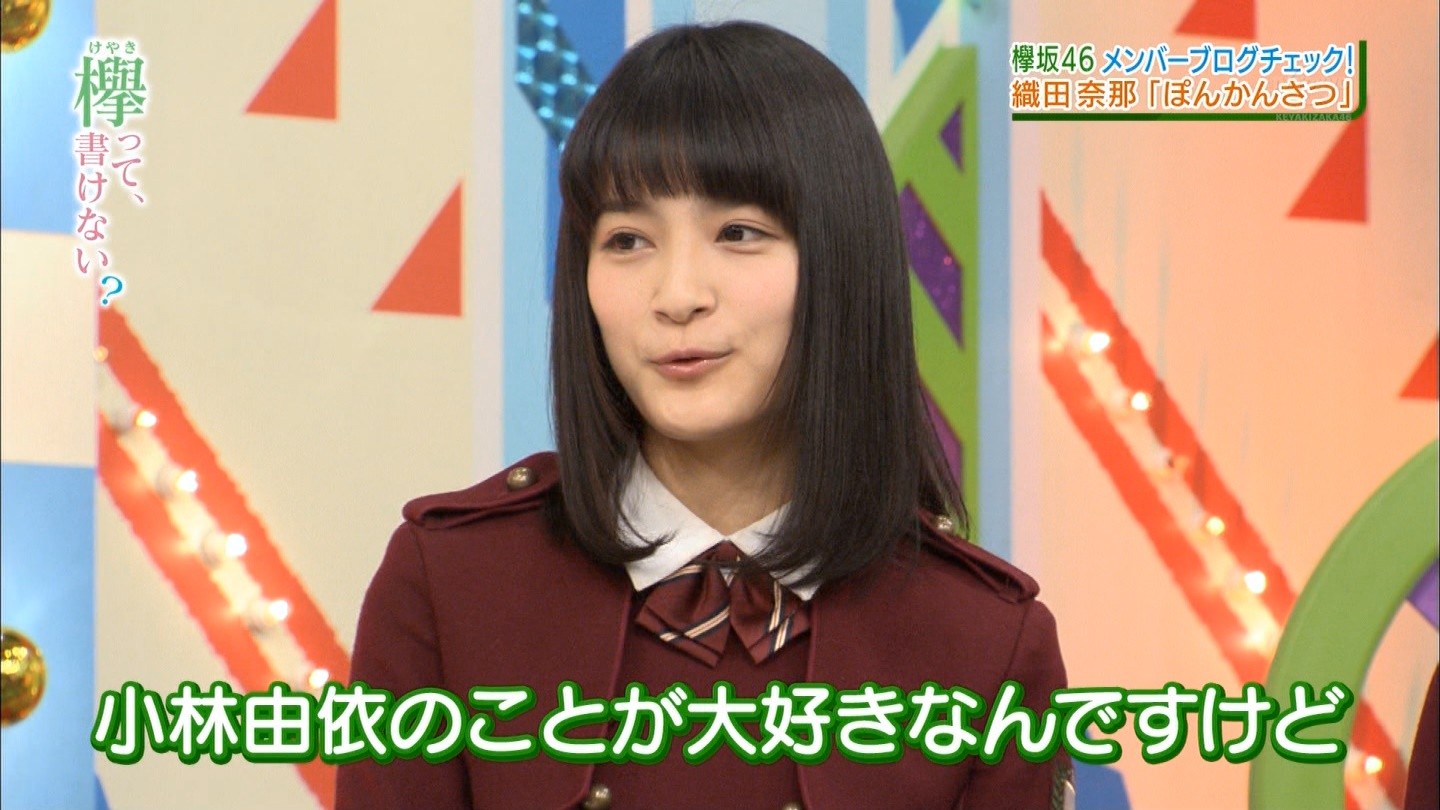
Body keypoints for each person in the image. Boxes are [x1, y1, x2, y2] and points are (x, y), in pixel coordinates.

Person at [337, 21, 1069, 810]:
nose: (678, 295)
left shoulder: (985, 642)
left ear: (844, 261)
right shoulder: (452, 582)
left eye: (738, 233)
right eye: (627, 240)